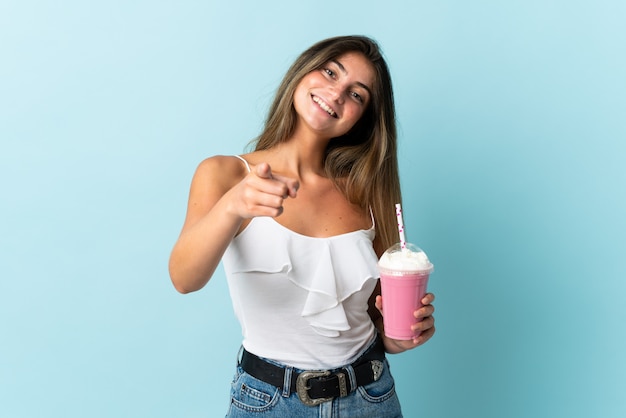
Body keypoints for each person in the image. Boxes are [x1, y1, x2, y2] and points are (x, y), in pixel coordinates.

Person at [169, 35, 436, 417]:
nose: (337, 93)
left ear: (363, 118)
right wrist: (234, 205)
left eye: (357, 94)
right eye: (330, 72)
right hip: (268, 401)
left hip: (370, 397)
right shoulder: (226, 174)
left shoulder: (366, 193)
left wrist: (403, 336)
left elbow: (380, 323)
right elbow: (184, 279)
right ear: (304, 71)